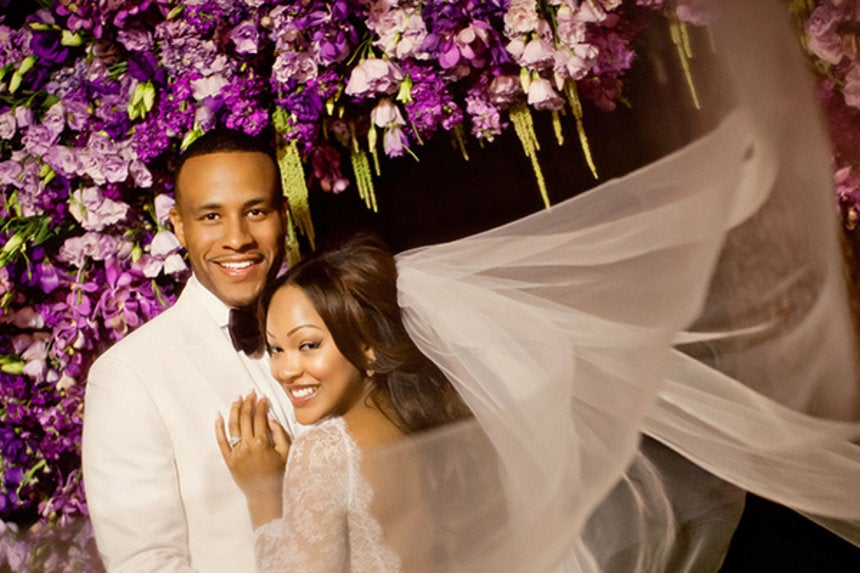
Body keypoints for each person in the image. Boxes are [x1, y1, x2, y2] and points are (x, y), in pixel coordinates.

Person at [82, 128, 298, 572]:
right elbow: (145, 564)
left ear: (284, 215)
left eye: (255, 211)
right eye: (211, 216)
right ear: (179, 227)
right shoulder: (128, 376)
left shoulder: (337, 330)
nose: (237, 238)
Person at [216, 232, 473, 572]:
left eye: (308, 345)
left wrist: (263, 496)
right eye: (276, 349)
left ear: (369, 345)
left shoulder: (325, 452)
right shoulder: (425, 418)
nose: (285, 370)